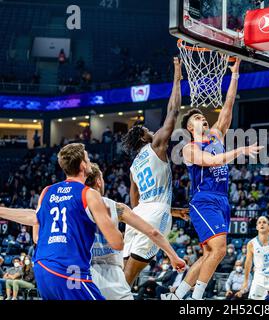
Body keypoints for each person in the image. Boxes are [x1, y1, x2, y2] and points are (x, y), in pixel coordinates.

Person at [0, 162, 187, 300]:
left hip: (80, 273)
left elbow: (37, 237)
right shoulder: (116, 207)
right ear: (98, 181)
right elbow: (152, 232)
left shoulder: (68, 204)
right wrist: (173, 256)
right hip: (112, 276)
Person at [163, 59, 263, 301]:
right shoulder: (188, 148)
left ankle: (177, 296)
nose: (202, 118)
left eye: (202, 117)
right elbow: (212, 161)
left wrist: (235, 74)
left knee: (209, 253)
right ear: (188, 126)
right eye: (196, 118)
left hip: (221, 200)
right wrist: (239, 151)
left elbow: (228, 107)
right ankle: (196, 298)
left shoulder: (216, 135)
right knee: (218, 250)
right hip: (203, 200)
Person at [32, 143, 123, 300]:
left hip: (42, 268)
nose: (89, 161)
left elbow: (37, 237)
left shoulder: (47, 191)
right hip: (69, 271)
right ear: (82, 165)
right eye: (87, 158)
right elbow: (117, 243)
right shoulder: (88, 194)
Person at [121, 57, 183, 285]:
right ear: (142, 137)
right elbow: (173, 111)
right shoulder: (155, 145)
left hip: (136, 218)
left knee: (123, 277)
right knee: (129, 279)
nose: (151, 130)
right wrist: (177, 77)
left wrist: (173, 210)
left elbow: (136, 201)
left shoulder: (133, 166)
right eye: (147, 129)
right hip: (155, 214)